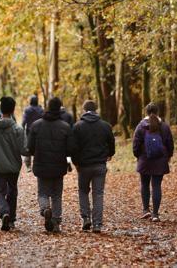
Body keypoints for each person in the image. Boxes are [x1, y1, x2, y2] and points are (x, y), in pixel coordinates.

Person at [27, 97, 77, 233]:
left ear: (47, 107)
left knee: (43, 192)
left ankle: (45, 209)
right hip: (58, 166)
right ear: (60, 108)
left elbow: (29, 148)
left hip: (41, 165)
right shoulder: (65, 127)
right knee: (56, 195)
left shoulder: (36, 125)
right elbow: (70, 149)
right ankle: (56, 222)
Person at [72, 100, 115, 233]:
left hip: (84, 166)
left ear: (84, 110)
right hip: (100, 165)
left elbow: (74, 147)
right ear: (96, 110)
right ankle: (97, 224)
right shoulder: (105, 126)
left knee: (83, 191)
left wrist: (76, 162)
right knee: (98, 194)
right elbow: (111, 143)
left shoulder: (78, 126)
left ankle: (86, 219)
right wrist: (109, 154)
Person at [0, 97, 26, 231]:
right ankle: (11, 219)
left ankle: (4, 212)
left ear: (0, 109)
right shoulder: (18, 129)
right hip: (14, 167)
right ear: (13, 110)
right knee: (12, 191)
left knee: (0, 192)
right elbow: (24, 149)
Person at [132, 103, 174, 222]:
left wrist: (138, 156)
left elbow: (135, 144)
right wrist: (169, 156)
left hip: (144, 160)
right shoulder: (164, 127)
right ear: (158, 112)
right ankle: (155, 214)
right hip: (160, 160)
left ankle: (146, 210)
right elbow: (170, 143)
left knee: (144, 184)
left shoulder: (141, 126)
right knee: (156, 186)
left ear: (146, 112)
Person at [22, 95, 43, 172]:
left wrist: (22, 127)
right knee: (38, 147)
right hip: (39, 131)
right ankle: (38, 164)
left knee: (28, 148)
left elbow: (24, 121)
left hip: (29, 131)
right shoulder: (41, 109)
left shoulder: (27, 110)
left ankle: (28, 166)